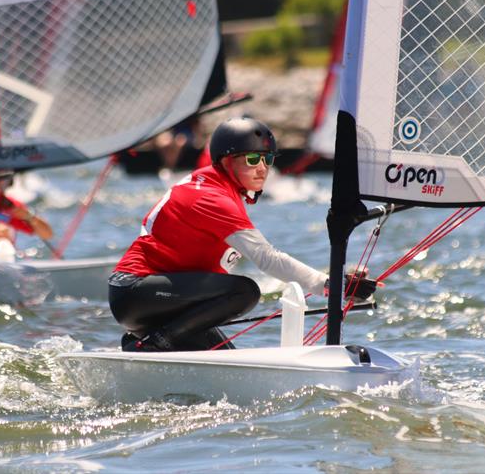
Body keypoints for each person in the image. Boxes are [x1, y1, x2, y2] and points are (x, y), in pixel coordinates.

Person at [110, 117, 377, 352]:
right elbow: (267, 258)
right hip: (135, 294)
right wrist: (331, 286)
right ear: (226, 161)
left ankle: (148, 346)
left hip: (158, 300)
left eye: (268, 159)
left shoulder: (217, 186)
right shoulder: (213, 198)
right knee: (245, 292)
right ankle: (154, 345)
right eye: (252, 159)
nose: (262, 168)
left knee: (225, 355)